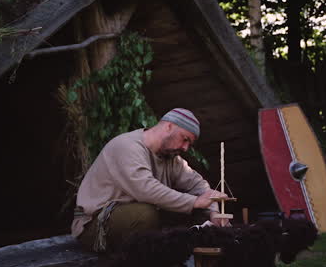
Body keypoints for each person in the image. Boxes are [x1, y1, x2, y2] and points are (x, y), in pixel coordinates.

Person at [72, 108, 227, 254]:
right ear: (169, 127)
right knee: (145, 214)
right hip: (94, 225)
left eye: (189, 144)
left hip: (129, 221)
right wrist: (194, 202)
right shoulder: (127, 147)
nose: (186, 148)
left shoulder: (171, 158)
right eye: (184, 139)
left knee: (198, 215)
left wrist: (213, 212)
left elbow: (197, 184)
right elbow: (146, 190)